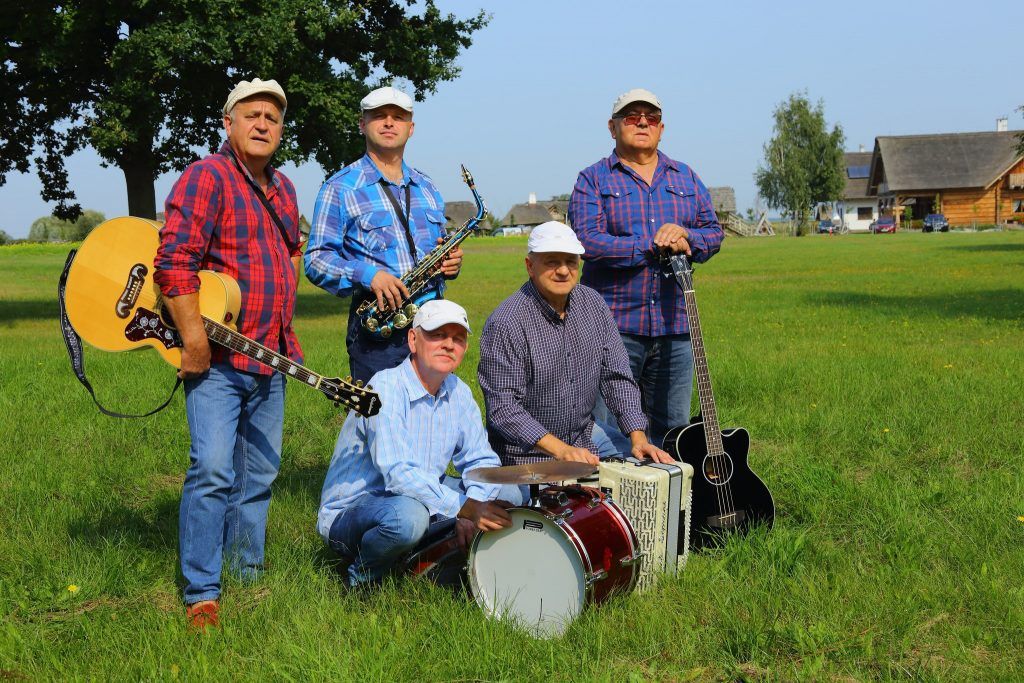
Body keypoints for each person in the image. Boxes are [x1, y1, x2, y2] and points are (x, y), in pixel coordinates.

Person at [154, 78, 302, 629]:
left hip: (274, 357)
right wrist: (193, 337)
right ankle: (202, 592)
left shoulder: (284, 188)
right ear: (228, 123)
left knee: (259, 476)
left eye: (273, 117)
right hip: (217, 360)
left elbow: (286, 254)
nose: (263, 124)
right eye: (252, 115)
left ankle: (248, 576)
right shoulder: (205, 177)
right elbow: (175, 261)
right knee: (213, 470)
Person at [317, 299, 522, 588]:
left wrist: (472, 510)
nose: (449, 345)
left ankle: (433, 557)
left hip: (419, 497)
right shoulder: (384, 388)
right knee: (408, 519)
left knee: (510, 493)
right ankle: (363, 580)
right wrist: (465, 508)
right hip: (357, 510)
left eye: (458, 338)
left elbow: (480, 462)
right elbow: (398, 475)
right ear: (413, 339)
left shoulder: (459, 392)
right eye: (438, 335)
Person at [568, 88, 725, 451]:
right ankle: (612, 507)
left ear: (661, 127)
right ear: (613, 127)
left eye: (650, 117)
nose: (642, 122)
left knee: (674, 432)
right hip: (613, 330)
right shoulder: (593, 180)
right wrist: (650, 244)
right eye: (631, 116)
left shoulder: (685, 177)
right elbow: (587, 241)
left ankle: (669, 505)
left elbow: (713, 233)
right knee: (607, 434)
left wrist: (686, 237)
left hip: (676, 327)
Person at [477, 221, 672, 468]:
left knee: (647, 474)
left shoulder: (593, 304)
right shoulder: (507, 323)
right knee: (544, 504)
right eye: (551, 262)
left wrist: (638, 436)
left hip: (584, 438)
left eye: (570, 261)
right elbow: (503, 409)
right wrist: (562, 450)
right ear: (529, 266)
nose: (563, 271)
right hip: (525, 455)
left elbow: (617, 377)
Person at [305, 86, 463, 384]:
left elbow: (438, 250)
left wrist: (452, 264)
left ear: (411, 128)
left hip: (432, 329)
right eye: (379, 116)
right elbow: (316, 260)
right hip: (378, 330)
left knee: (434, 424)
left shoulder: (428, 188)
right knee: (379, 428)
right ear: (362, 124)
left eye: (398, 117)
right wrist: (368, 275)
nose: (389, 122)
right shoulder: (339, 187)